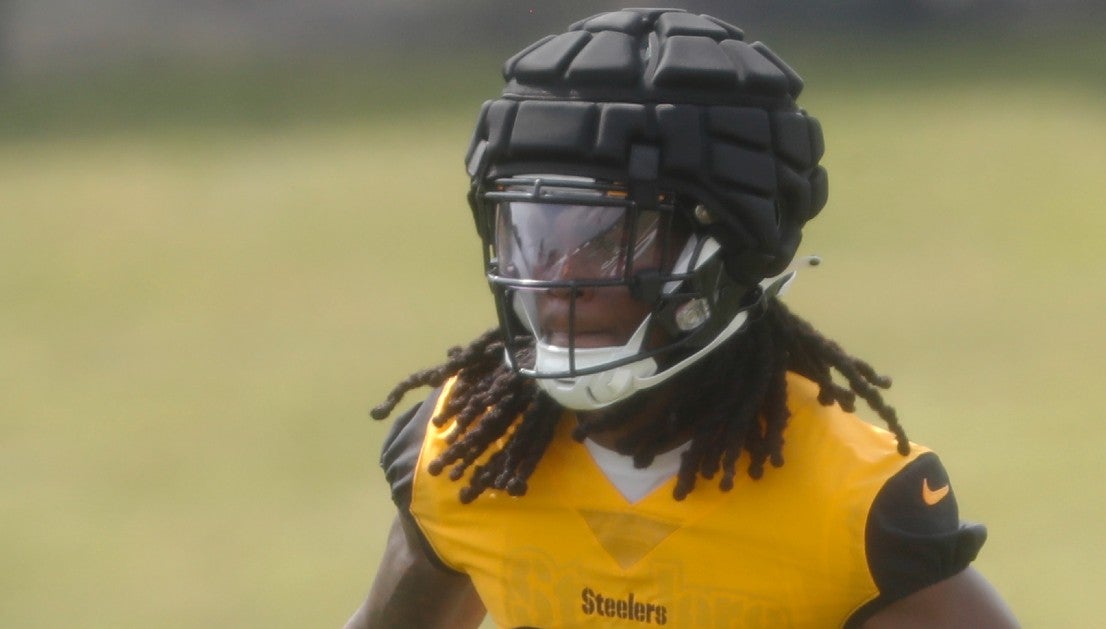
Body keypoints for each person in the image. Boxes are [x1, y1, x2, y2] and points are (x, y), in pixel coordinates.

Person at [348, 8, 1018, 628]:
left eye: (609, 240)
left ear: (727, 252)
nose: (558, 279)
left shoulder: (855, 503)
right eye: (534, 235)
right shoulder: (460, 455)